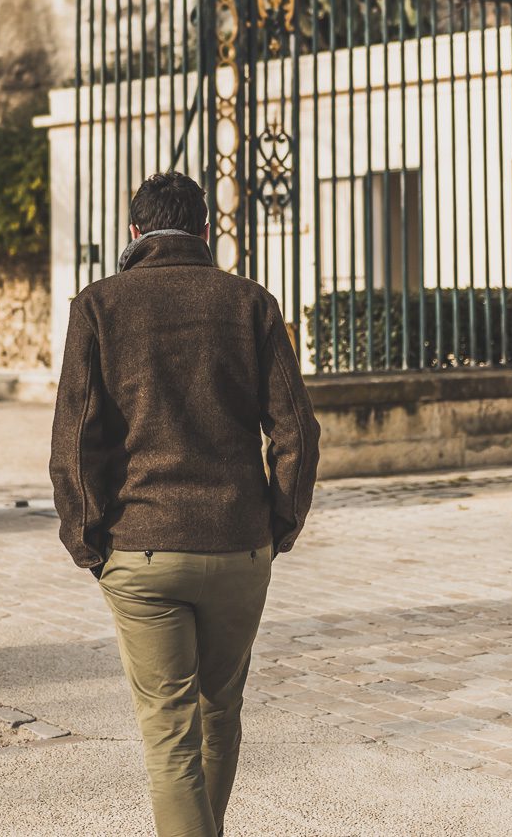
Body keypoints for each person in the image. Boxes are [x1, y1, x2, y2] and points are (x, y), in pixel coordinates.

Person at [49, 171, 321, 837]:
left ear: (134, 234)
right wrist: (276, 526)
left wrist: (89, 545)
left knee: (170, 738)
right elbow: (297, 432)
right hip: (238, 545)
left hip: (141, 550)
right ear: (206, 232)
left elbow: (73, 442)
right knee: (220, 713)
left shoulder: (98, 306)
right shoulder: (250, 303)